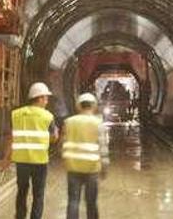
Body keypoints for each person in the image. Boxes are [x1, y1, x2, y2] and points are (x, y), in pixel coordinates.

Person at [8, 82, 57, 219]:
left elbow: (12, 136)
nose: (47, 101)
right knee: (38, 194)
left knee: (22, 192)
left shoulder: (16, 114)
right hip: (39, 162)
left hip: (21, 162)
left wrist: (6, 159)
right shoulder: (48, 116)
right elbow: (54, 137)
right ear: (40, 98)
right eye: (46, 98)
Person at [62, 92, 109, 219]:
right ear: (94, 106)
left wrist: (66, 161)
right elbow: (103, 148)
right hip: (92, 169)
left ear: (78, 106)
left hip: (73, 168)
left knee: (73, 202)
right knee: (91, 203)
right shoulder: (98, 123)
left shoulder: (69, 122)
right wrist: (104, 168)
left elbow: (64, 143)